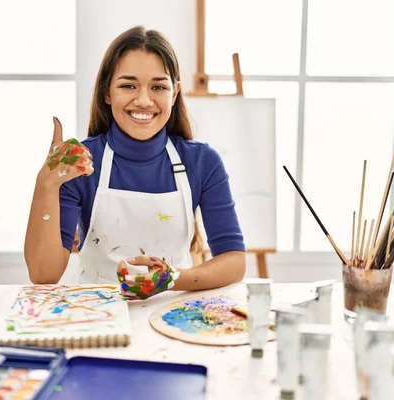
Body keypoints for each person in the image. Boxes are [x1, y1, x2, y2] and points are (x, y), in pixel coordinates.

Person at [25, 26, 246, 300]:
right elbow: (43, 274)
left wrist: (172, 279)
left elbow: (234, 260)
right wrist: (46, 183)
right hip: (94, 313)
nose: (143, 100)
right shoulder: (81, 163)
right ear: (107, 92)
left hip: (172, 312)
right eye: (128, 85)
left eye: (158, 87)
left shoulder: (202, 162)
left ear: (174, 93)